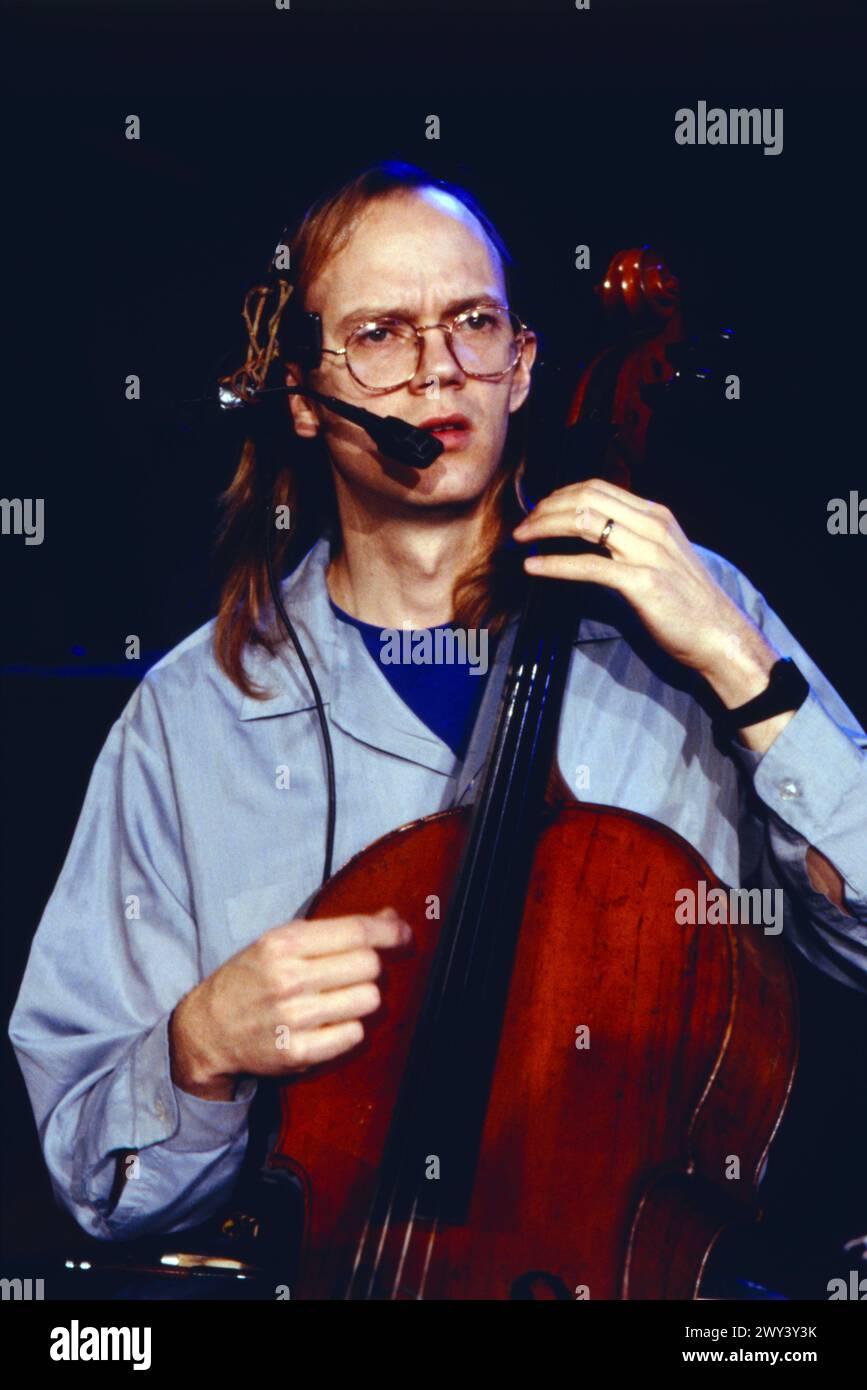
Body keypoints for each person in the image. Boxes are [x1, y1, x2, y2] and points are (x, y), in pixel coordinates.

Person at [9, 162, 867, 1259]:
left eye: (473, 323)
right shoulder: (189, 714)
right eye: (380, 333)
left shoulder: (696, 615)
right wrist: (199, 1045)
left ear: (522, 368)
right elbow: (97, 1180)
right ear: (306, 401)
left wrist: (746, 673)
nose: (436, 372)